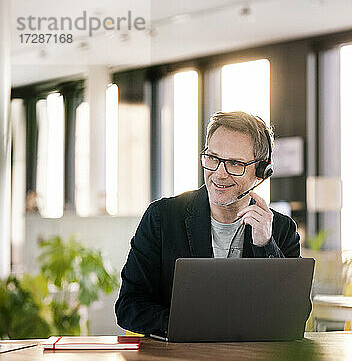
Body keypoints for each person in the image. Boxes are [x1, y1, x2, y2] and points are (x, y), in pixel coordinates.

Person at [115, 111, 301, 336]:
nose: (219, 174)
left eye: (234, 163)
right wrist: (192, 327)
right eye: (212, 158)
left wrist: (267, 245)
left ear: (262, 172)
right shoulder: (162, 217)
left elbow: (295, 316)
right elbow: (129, 305)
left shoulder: (281, 229)